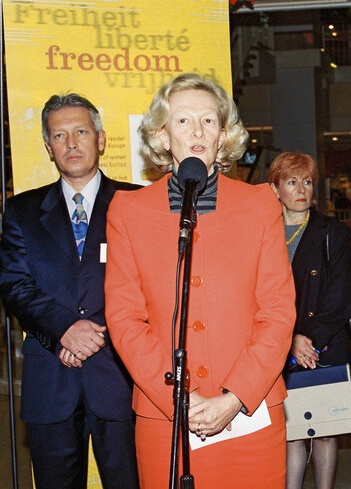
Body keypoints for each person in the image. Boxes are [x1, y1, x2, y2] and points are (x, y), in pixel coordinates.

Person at [104, 73, 296, 488]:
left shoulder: (260, 204)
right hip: (165, 418)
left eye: (209, 121)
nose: (197, 131)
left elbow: (278, 312)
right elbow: (124, 319)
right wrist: (178, 400)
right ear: (161, 134)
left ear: (223, 134)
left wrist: (236, 396)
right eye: (183, 120)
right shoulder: (127, 211)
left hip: (250, 414)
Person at [0, 93, 139, 489]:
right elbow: (14, 284)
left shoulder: (136, 203)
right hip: (51, 379)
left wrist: (94, 336)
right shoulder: (21, 211)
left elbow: (150, 285)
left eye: (80, 131)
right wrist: (65, 329)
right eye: (59, 136)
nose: (71, 143)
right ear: (48, 147)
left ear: (101, 138)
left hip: (121, 375)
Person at [267, 152, 351, 489]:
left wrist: (308, 337)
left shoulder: (332, 231)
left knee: (324, 433)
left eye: (307, 181)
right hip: (279, 347)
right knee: (291, 435)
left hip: (324, 346)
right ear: (275, 188)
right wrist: (290, 337)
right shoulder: (264, 231)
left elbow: (340, 295)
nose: (301, 189)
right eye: (291, 181)